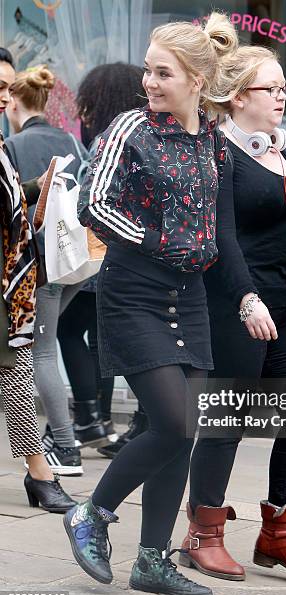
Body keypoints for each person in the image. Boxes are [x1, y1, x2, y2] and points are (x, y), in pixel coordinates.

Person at [63, 13, 239, 595]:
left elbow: (218, 224)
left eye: (162, 72)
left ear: (196, 80)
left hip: (189, 300)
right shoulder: (130, 128)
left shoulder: (214, 140)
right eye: (148, 69)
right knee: (170, 419)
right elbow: (94, 204)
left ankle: (151, 560)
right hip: (134, 292)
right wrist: (158, 242)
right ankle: (93, 513)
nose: (149, 81)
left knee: (183, 430)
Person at [182, 45, 286, 581]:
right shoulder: (219, 152)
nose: (280, 98)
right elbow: (222, 235)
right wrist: (246, 298)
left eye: (283, 89)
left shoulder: (280, 147)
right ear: (235, 97)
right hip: (235, 300)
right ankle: (203, 532)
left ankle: (279, 531)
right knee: (229, 418)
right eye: (269, 89)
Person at [57, 63, 148, 455]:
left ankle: (93, 419)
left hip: (104, 257)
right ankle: (107, 420)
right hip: (131, 257)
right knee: (104, 340)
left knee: (77, 332)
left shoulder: (108, 143)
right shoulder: (145, 138)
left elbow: (89, 204)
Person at [0, 47, 76, 512]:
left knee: (16, 375)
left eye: (7, 88)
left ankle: (41, 472)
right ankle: (41, 473)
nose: (5, 99)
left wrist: (33, 191)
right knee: (15, 375)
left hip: (13, 284)